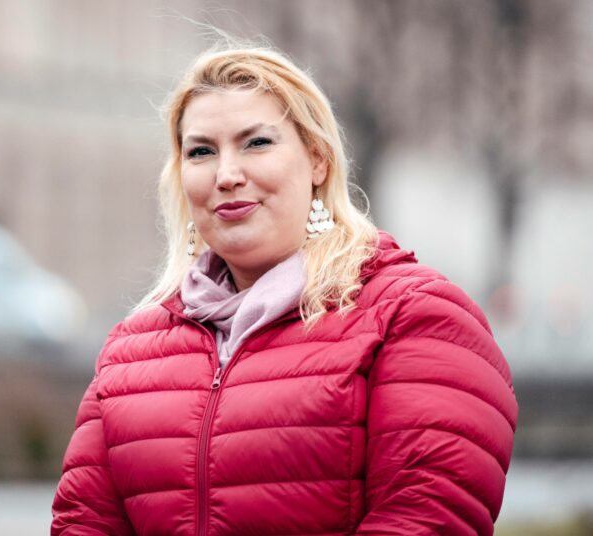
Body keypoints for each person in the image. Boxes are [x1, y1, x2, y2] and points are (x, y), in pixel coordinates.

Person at [51, 44, 517, 535]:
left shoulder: (412, 315)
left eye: (256, 143)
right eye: (202, 151)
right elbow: (83, 523)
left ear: (317, 159)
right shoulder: (130, 352)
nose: (227, 175)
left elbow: (427, 515)